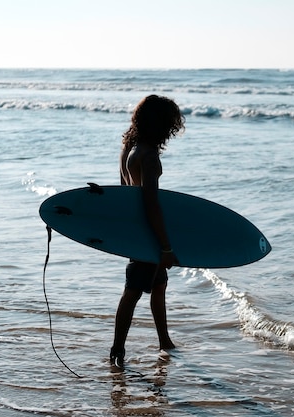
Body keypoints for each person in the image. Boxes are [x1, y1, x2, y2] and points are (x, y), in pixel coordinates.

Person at [110, 95, 185, 368]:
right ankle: (117, 350)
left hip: (137, 231)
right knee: (132, 291)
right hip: (148, 235)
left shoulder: (130, 149)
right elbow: (151, 203)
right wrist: (165, 246)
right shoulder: (150, 157)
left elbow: (124, 193)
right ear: (162, 125)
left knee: (159, 285)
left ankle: (165, 341)